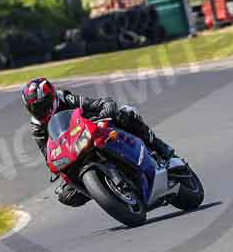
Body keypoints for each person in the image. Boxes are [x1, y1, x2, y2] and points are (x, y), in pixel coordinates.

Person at [21, 77, 176, 207]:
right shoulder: (37, 127)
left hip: (97, 130)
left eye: (41, 106)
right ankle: (107, 191)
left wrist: (105, 111)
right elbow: (47, 153)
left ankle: (162, 149)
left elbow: (99, 104)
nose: (38, 111)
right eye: (33, 109)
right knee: (64, 194)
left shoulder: (66, 99)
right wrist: (55, 164)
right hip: (73, 151)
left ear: (51, 98)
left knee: (126, 114)